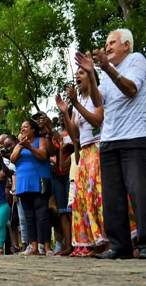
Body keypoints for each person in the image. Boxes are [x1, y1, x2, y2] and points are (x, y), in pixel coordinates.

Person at [75, 28, 146, 260]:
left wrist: (105, 67)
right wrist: (92, 75)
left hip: (134, 137)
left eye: (112, 42)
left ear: (126, 45)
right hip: (109, 140)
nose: (107, 46)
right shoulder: (106, 73)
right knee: (112, 197)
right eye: (106, 43)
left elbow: (131, 90)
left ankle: (144, 245)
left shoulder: (136, 60)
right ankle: (120, 246)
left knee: (139, 192)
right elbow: (98, 101)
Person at [11, 120, 53, 256]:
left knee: (42, 214)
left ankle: (47, 247)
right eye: (21, 127)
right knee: (29, 216)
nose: (22, 129)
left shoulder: (40, 140)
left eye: (25, 127)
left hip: (38, 180)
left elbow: (43, 156)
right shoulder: (19, 145)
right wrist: (21, 146)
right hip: (23, 183)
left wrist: (30, 147)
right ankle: (33, 246)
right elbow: (12, 159)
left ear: (33, 129)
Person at [50, 112, 74, 256]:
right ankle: (68, 245)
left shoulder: (73, 131)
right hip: (57, 175)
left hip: (71, 173)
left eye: (63, 114)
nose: (60, 117)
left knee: (72, 210)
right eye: (59, 115)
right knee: (62, 213)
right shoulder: (56, 134)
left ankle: (78, 243)